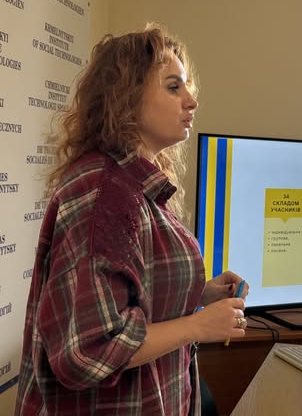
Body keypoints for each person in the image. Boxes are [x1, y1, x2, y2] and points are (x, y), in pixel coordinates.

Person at [15, 24, 249, 416]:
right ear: (126, 96)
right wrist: (198, 326)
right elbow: (87, 351)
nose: (191, 100)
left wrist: (199, 294)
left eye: (187, 86)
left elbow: (127, 296)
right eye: (173, 87)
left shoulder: (132, 184)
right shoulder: (106, 194)